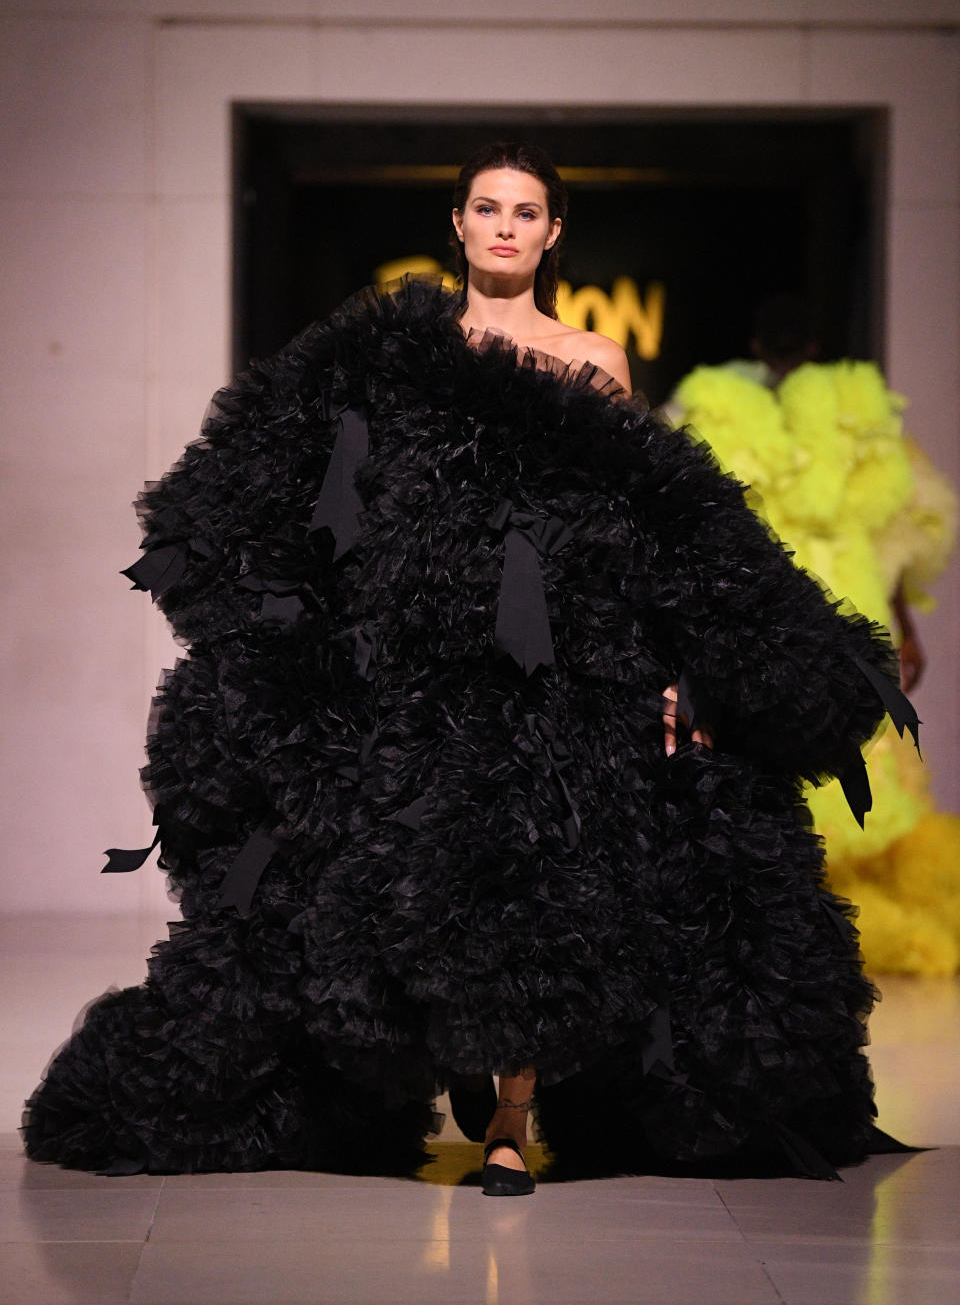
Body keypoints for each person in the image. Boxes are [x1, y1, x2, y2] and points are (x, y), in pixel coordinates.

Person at [24, 142, 917, 1197]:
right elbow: (321, 501)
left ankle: (510, 1118)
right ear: (456, 225)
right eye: (486, 207)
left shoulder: (594, 362)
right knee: (418, 876)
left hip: (563, 670)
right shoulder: (397, 352)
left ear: (552, 233)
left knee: (544, 887)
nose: (504, 226)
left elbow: (634, 527)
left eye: (525, 211)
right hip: (419, 665)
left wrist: (680, 670)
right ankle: (442, 1069)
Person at [671, 296, 960, 976]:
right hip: (802, 602)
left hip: (806, 600)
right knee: (810, 754)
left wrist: (904, 627)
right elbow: (898, 524)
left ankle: (805, 917)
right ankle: (794, 914)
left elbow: (894, 525)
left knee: (828, 755)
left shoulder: (726, 412)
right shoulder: (842, 415)